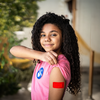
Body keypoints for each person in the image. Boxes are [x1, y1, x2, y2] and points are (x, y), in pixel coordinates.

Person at [10, 12, 81, 100]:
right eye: (43, 35)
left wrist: (41, 55)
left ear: (64, 38)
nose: (47, 38)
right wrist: (41, 55)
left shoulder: (57, 68)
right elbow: (13, 50)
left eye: (53, 34)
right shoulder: (44, 57)